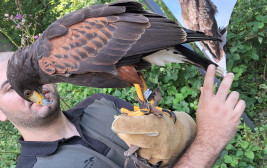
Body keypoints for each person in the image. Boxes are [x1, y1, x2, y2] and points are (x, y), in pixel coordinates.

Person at [0, 52, 246, 168]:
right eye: (12, 88)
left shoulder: (101, 103)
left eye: (34, 74)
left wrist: (189, 127)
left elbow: (174, 143)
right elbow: (199, 148)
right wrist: (210, 139)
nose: (33, 87)